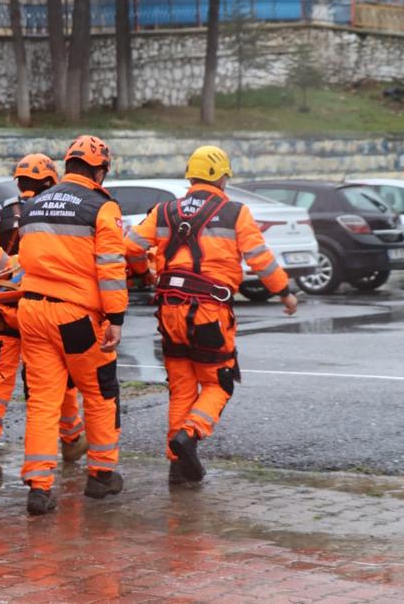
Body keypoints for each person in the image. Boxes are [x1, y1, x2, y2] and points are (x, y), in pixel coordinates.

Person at [124, 145, 298, 484]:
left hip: (169, 309)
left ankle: (179, 466)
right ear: (220, 177)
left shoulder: (164, 210)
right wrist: (284, 292)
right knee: (219, 382)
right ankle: (190, 434)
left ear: (191, 175)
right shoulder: (235, 213)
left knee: (182, 386)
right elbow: (260, 257)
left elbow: (130, 246)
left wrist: (144, 272)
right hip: (209, 310)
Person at [17, 135, 128, 515]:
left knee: (43, 400)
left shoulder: (34, 204)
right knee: (99, 394)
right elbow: (111, 267)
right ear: (100, 170)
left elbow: (25, 258)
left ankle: (39, 483)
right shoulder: (102, 206)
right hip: (77, 316)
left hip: (30, 311)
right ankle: (101, 474)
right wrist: (115, 317)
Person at [0, 154, 88, 478]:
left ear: (18, 182)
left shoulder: (2, 211)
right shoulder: (53, 210)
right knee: (57, 378)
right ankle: (71, 438)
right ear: (49, 182)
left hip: (5, 309)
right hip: (40, 305)